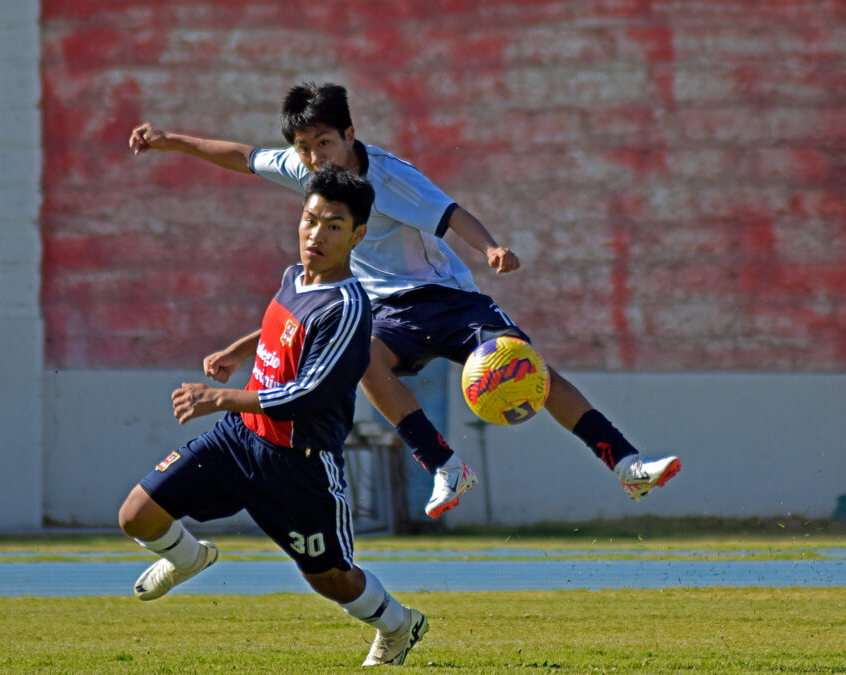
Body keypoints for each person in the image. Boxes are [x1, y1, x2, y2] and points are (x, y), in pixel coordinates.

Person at [128, 82, 681, 519]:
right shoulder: (308, 172)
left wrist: (491, 249)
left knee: (526, 367)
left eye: (324, 143)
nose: (315, 158)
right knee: (363, 357)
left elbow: (453, 214)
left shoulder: (394, 179)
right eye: (304, 148)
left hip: (448, 298)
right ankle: (443, 464)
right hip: (387, 313)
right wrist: (169, 140)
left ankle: (625, 462)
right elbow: (241, 155)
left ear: (350, 134)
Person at [117, 166, 427, 667]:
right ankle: (188, 557)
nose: (316, 234)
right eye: (310, 220)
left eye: (333, 225)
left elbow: (306, 394)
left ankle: (398, 624)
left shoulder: (348, 308)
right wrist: (238, 352)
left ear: (358, 235)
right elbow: (278, 329)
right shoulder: (294, 277)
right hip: (239, 439)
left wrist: (219, 398)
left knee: (331, 579)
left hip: (298, 464)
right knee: (137, 514)